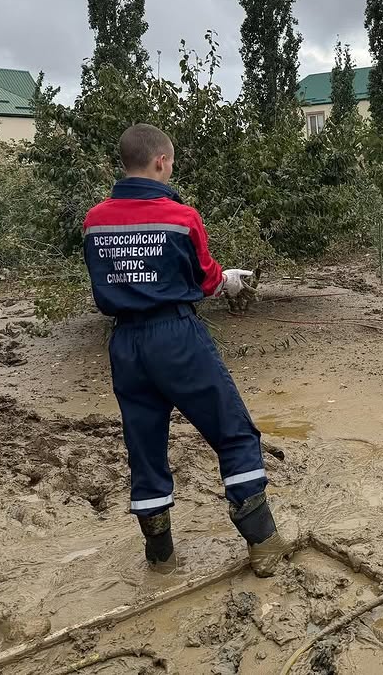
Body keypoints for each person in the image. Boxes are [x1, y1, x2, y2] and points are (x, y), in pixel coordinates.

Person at [82, 123, 288, 577]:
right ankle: (264, 544)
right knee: (233, 431)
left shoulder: (94, 220)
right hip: (175, 335)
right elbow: (205, 275)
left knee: (145, 446)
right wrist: (228, 281)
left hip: (124, 345)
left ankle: (161, 558)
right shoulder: (181, 216)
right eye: (170, 161)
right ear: (160, 161)